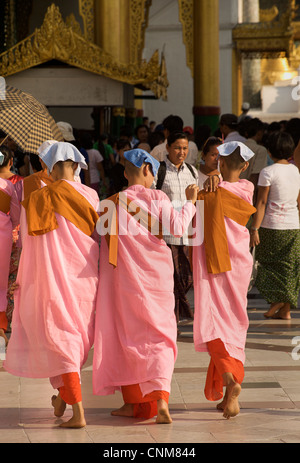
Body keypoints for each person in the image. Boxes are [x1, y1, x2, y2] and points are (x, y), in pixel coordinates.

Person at [93, 148, 198, 424]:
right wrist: (190, 203)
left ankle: (134, 403)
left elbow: (100, 243)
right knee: (161, 337)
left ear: (126, 173)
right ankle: (160, 398)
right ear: (148, 170)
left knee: (129, 339)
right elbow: (177, 229)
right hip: (158, 283)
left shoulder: (110, 203)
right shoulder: (159, 197)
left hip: (125, 285)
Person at [4, 142, 100, 429]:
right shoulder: (93, 195)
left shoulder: (39, 198)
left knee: (60, 341)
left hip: (52, 281)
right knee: (74, 340)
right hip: (85, 280)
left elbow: (29, 245)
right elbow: (98, 237)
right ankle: (63, 397)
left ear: (54, 166)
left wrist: (23, 279)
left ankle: (79, 412)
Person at [193, 141, 256, 419]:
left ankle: (230, 379)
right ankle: (226, 393)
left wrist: (208, 186)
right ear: (244, 166)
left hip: (214, 266)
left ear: (218, 162)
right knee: (235, 320)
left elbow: (195, 223)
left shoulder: (209, 191)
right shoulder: (247, 189)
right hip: (239, 263)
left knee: (214, 320)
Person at [250, 131, 300, 320]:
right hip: (293, 225)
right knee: (289, 267)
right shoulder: (296, 170)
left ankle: (277, 302)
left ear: (270, 151)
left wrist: (254, 228)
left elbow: (261, 203)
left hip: (272, 226)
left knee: (267, 266)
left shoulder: (267, 172)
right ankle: (285, 311)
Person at [153, 132, 198, 324]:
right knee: (169, 281)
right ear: (168, 148)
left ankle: (174, 316)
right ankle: (172, 320)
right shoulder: (158, 171)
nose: (182, 152)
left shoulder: (192, 172)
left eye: (185, 148)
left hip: (187, 235)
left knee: (186, 278)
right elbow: (153, 199)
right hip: (166, 236)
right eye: (178, 148)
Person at [0, 145, 23, 325]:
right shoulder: (11, 184)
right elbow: (16, 215)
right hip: (6, 235)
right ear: (10, 162)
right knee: (5, 282)